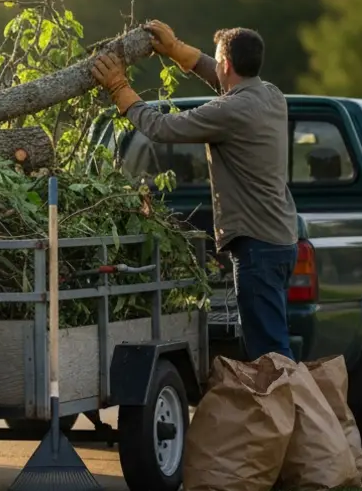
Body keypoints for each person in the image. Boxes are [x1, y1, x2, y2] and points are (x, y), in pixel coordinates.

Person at [89, 21, 299, 360]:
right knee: (272, 344)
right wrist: (178, 52)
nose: (216, 66)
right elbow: (224, 82)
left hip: (257, 248)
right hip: (279, 240)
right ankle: (285, 408)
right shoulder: (271, 95)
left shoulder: (230, 110)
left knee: (270, 355)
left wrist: (120, 90)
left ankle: (287, 410)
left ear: (227, 65)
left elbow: (161, 127)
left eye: (217, 61)